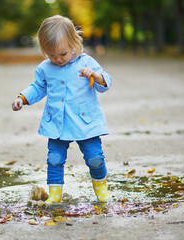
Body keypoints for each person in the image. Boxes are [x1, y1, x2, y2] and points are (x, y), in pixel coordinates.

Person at [12, 15, 112, 203]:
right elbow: (39, 87)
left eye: (63, 54)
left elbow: (105, 83)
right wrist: (22, 98)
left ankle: (101, 188)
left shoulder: (86, 62)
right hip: (57, 122)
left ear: (74, 43)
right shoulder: (45, 68)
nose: (57, 59)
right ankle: (55, 194)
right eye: (51, 55)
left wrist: (96, 76)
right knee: (55, 159)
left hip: (85, 122)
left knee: (95, 158)